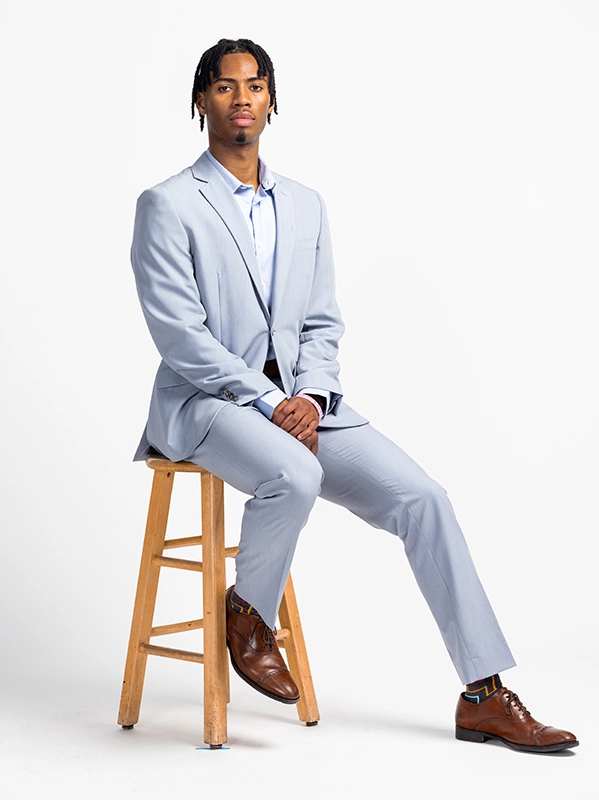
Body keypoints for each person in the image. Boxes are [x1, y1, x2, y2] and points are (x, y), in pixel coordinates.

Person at [130, 38, 578, 753]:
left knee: (424, 498)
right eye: (224, 85)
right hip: (206, 403)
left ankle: (483, 695)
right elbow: (181, 337)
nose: (242, 98)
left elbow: (321, 322)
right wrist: (268, 402)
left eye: (255, 84)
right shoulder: (167, 204)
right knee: (293, 472)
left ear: (272, 99)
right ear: (201, 100)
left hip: (301, 405)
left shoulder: (305, 205)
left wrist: (310, 397)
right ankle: (249, 614)